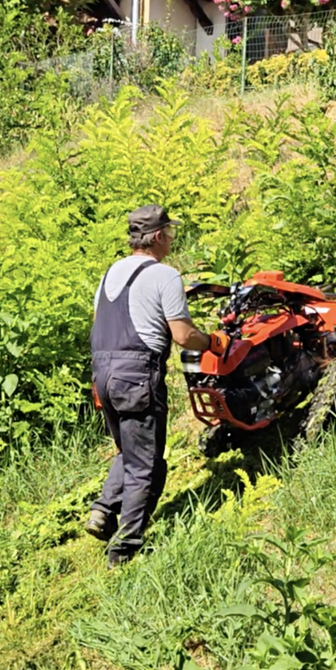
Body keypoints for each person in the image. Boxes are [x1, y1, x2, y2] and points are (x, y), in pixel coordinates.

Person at [86, 205, 222, 567]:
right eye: (170, 233)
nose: (172, 239)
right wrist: (213, 342)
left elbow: (100, 322)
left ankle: (103, 510)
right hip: (136, 376)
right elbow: (183, 335)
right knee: (146, 464)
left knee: (127, 450)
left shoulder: (111, 272)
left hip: (102, 372)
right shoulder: (165, 275)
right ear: (158, 236)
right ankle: (124, 549)